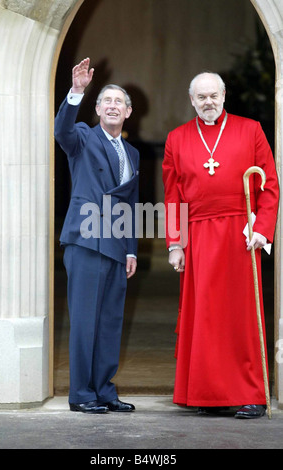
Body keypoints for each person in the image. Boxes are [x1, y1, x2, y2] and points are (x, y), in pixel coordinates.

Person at [162, 72, 279, 419]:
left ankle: (251, 395)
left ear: (224, 95)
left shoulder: (250, 129)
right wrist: (175, 244)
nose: (208, 102)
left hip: (241, 235)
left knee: (240, 316)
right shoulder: (176, 138)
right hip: (198, 236)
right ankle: (207, 393)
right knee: (205, 316)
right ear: (192, 100)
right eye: (201, 97)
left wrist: (263, 229)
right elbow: (172, 198)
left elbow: (269, 183)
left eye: (213, 95)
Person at [54, 58, 139, 414]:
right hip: (86, 240)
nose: (112, 106)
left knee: (109, 322)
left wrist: (131, 251)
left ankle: (104, 389)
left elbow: (131, 204)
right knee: (85, 321)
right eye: (106, 101)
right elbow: (62, 132)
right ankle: (82, 394)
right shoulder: (83, 138)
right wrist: (75, 92)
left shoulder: (132, 153)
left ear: (128, 112)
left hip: (116, 247)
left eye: (119, 102)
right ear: (97, 108)